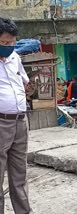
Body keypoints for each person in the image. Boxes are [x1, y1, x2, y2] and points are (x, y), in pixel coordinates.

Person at [0, 17, 33, 214]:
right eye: (4, 42)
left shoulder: (15, 58)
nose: (9, 46)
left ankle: (24, 211)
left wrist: (26, 89)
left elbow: (24, 82)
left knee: (20, 174)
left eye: (12, 42)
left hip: (21, 121)